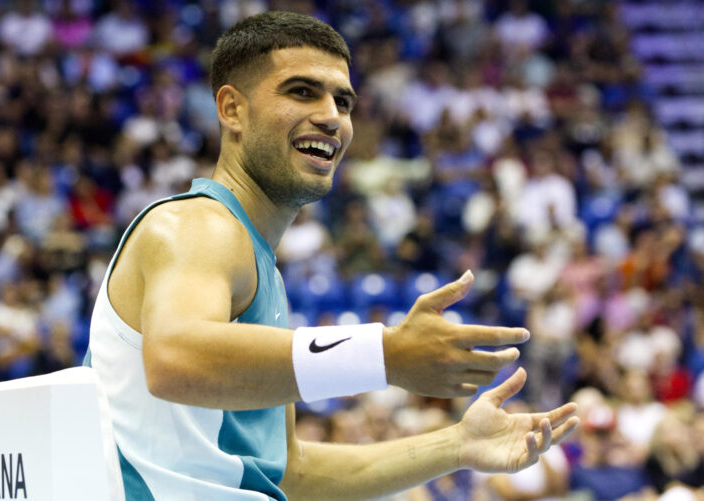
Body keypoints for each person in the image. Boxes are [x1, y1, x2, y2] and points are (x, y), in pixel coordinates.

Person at [84, 11, 579, 501]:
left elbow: (289, 474)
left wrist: (455, 445)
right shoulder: (196, 225)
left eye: (343, 102)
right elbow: (175, 359)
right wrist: (383, 355)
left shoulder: (259, 269)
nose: (331, 116)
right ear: (232, 110)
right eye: (302, 91)